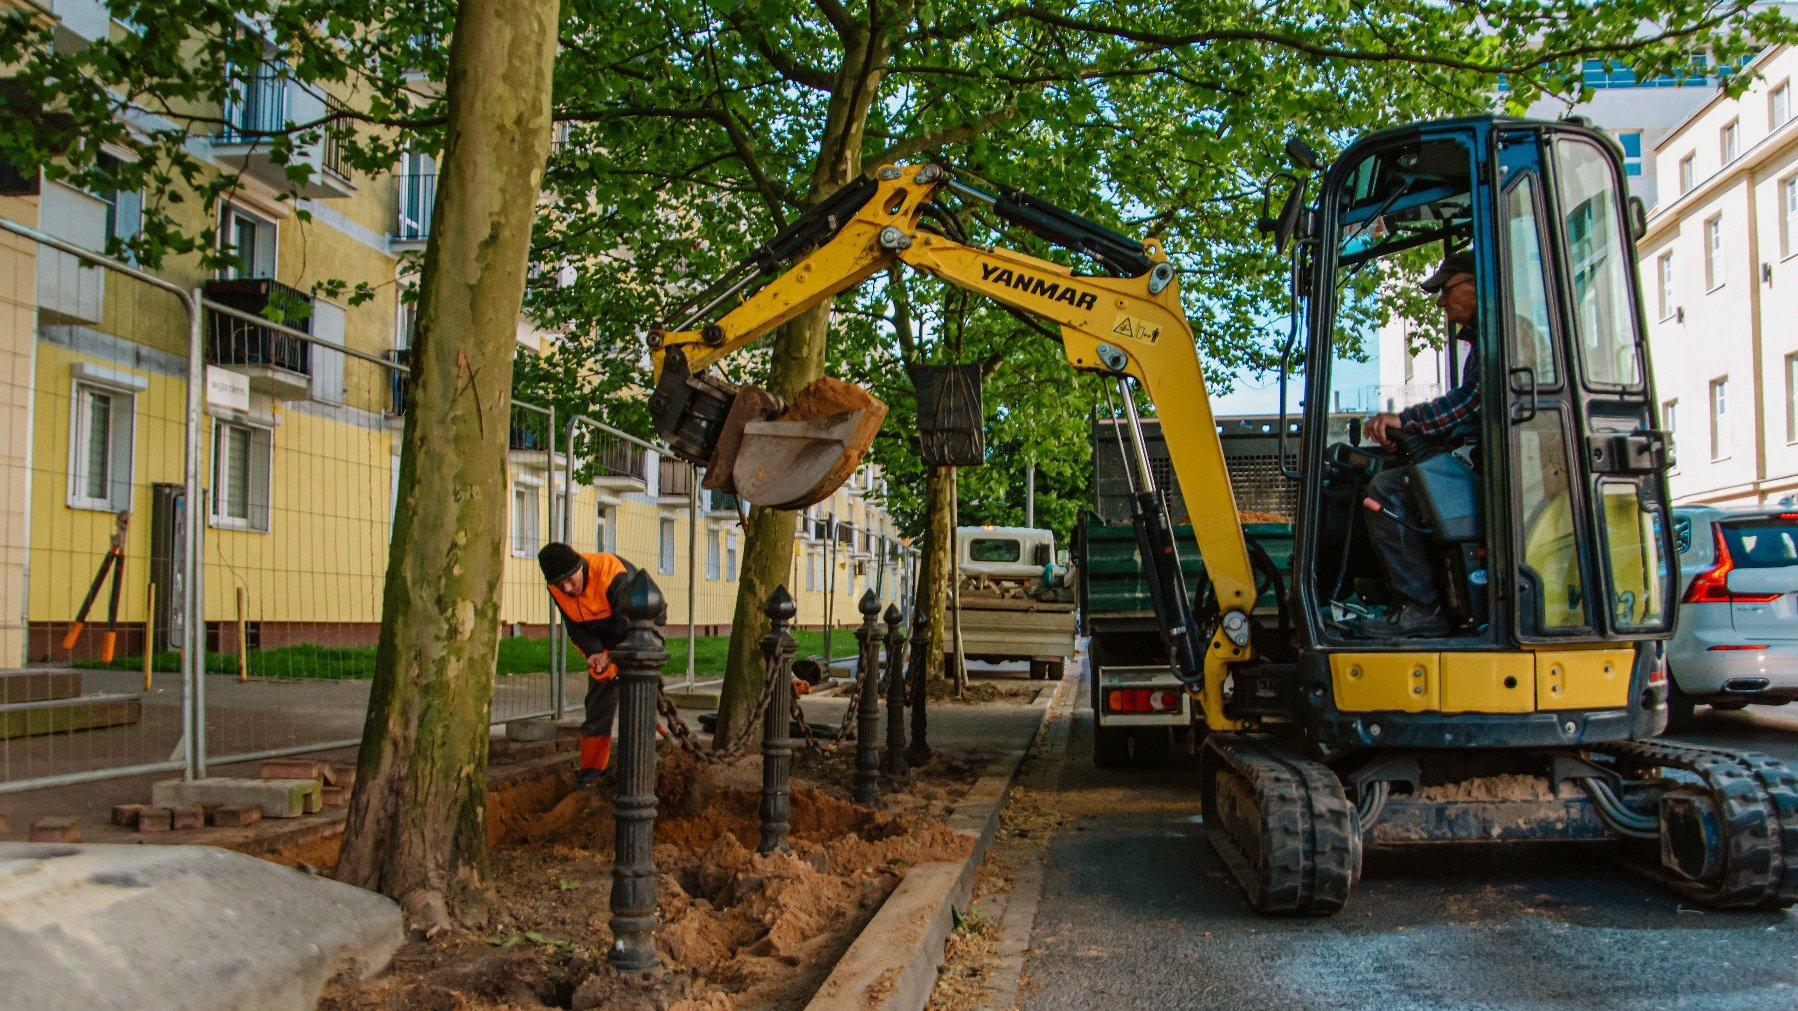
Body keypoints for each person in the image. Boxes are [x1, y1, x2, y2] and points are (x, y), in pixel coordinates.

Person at [1358, 251, 1479, 639]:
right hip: (1477, 458)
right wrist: (1413, 437)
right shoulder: (1484, 342)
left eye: (1446, 290)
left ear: (1477, 284)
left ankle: (1420, 607)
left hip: (1492, 471)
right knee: (1395, 478)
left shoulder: (1506, 336)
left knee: (1387, 492)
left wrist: (1407, 421)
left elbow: (1470, 403)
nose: (1442, 302)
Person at [538, 542, 636, 786]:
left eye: (571, 580)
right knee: (598, 703)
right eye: (561, 585)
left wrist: (614, 657)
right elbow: (575, 626)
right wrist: (594, 654)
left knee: (638, 699)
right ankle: (592, 770)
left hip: (638, 631)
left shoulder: (611, 573)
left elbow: (632, 624)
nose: (568, 589)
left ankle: (637, 769)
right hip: (601, 638)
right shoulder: (558, 588)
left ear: (580, 566)